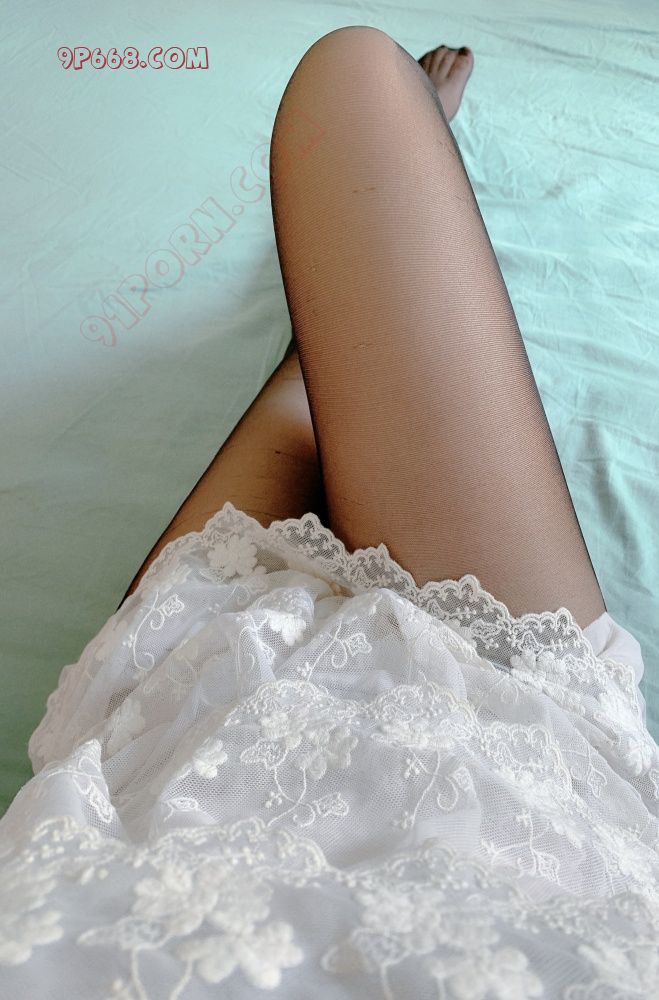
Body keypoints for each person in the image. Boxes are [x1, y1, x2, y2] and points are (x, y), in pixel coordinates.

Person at [0, 27, 656, 999]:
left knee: (309, 378)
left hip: (169, 739)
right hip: (508, 731)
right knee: (356, 81)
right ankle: (350, 294)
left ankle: (328, 328)